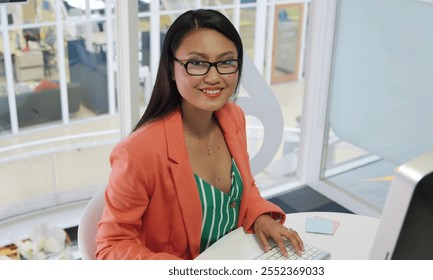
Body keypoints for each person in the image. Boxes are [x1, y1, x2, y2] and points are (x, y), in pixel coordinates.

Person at [95, 9, 304, 260]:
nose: (214, 77)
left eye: (226, 62)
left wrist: (260, 216)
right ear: (172, 69)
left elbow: (245, 186)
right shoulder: (137, 153)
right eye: (197, 63)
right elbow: (110, 246)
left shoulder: (233, 117)